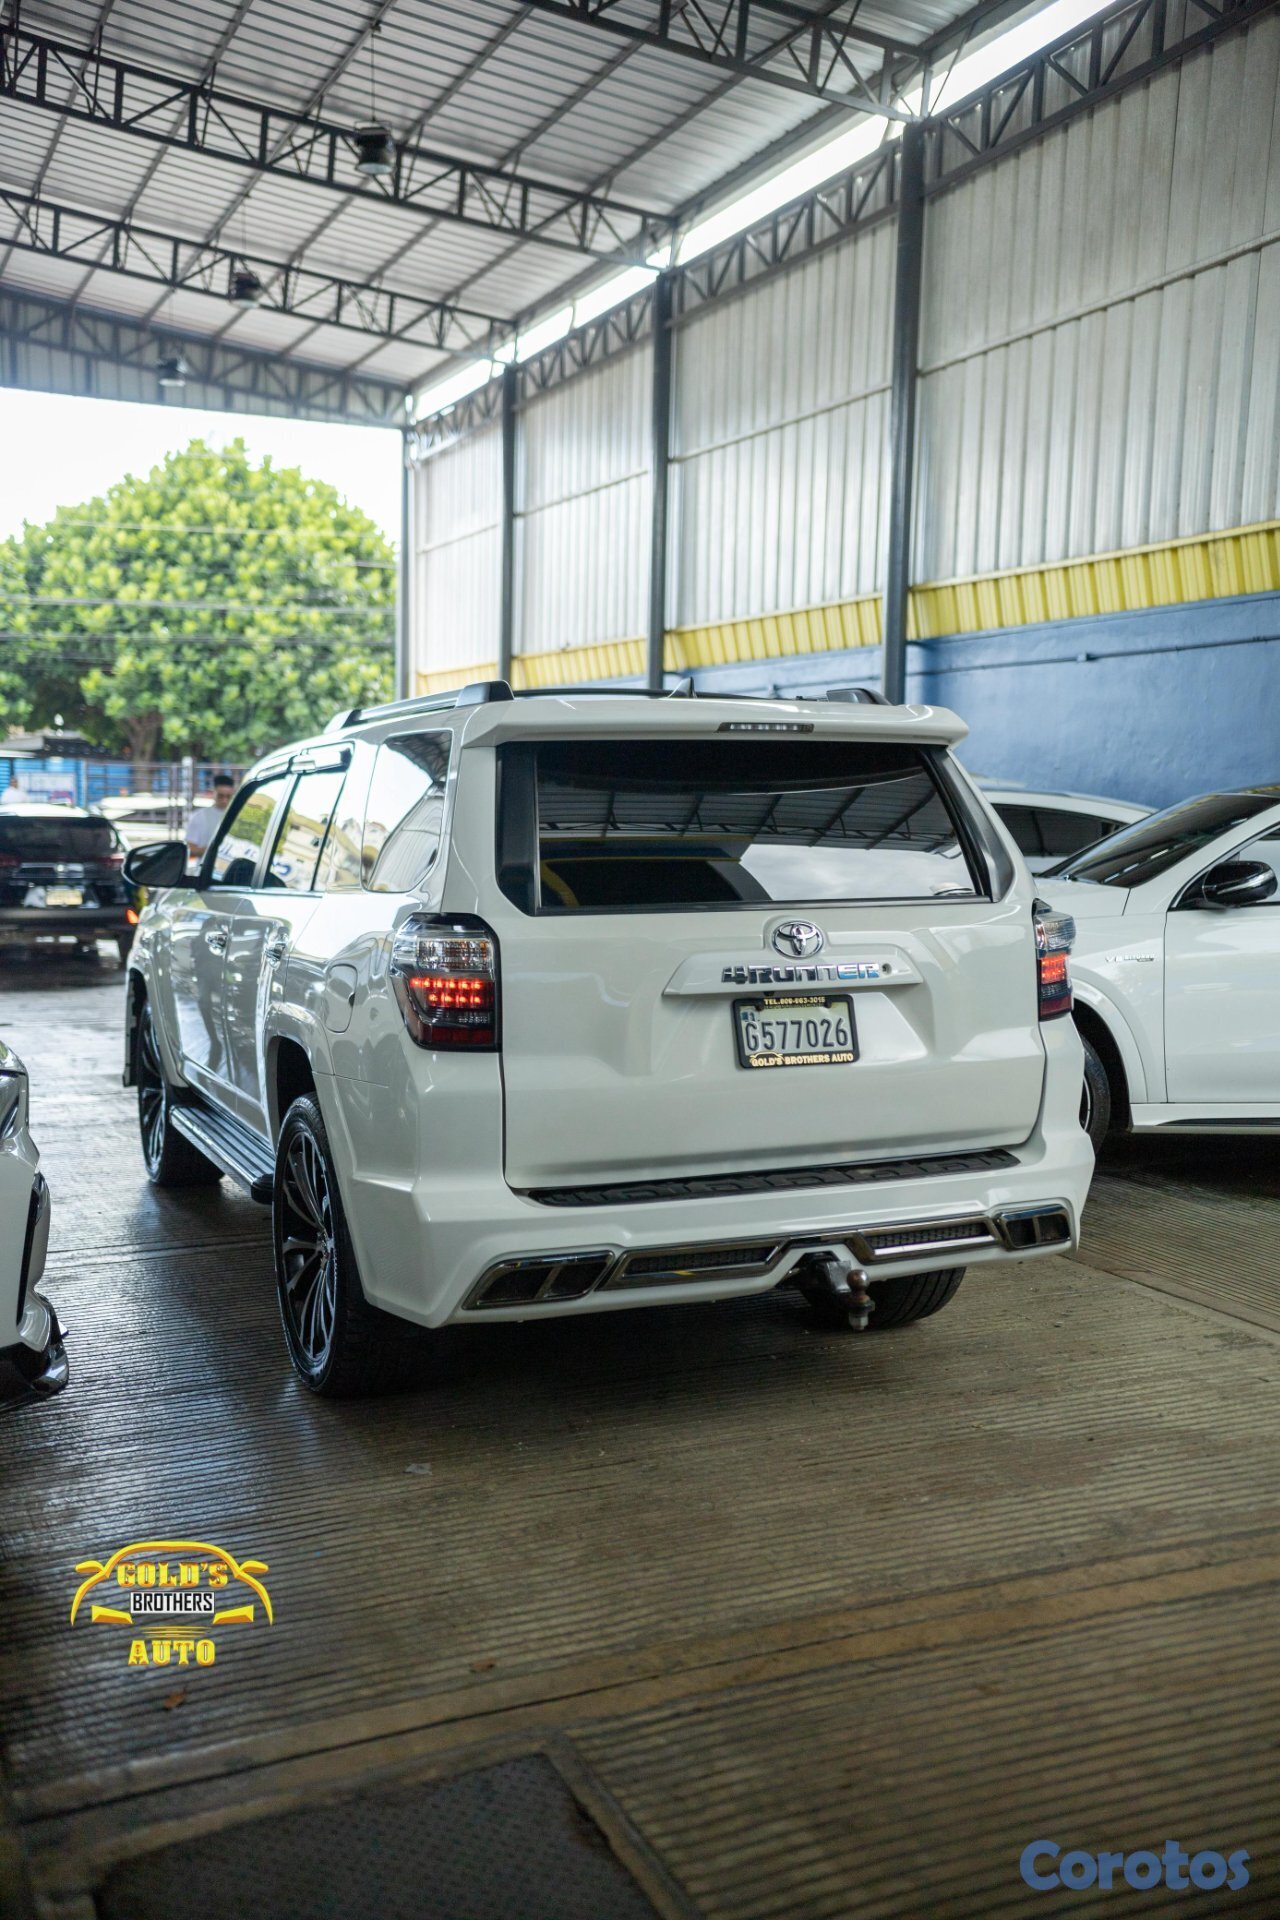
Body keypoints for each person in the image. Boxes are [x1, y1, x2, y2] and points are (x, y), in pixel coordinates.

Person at [186, 771, 235, 866]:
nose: (225, 800)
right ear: (213, 793)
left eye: (228, 796)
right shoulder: (198, 816)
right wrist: (216, 851)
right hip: (205, 868)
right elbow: (190, 848)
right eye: (221, 796)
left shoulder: (238, 816)